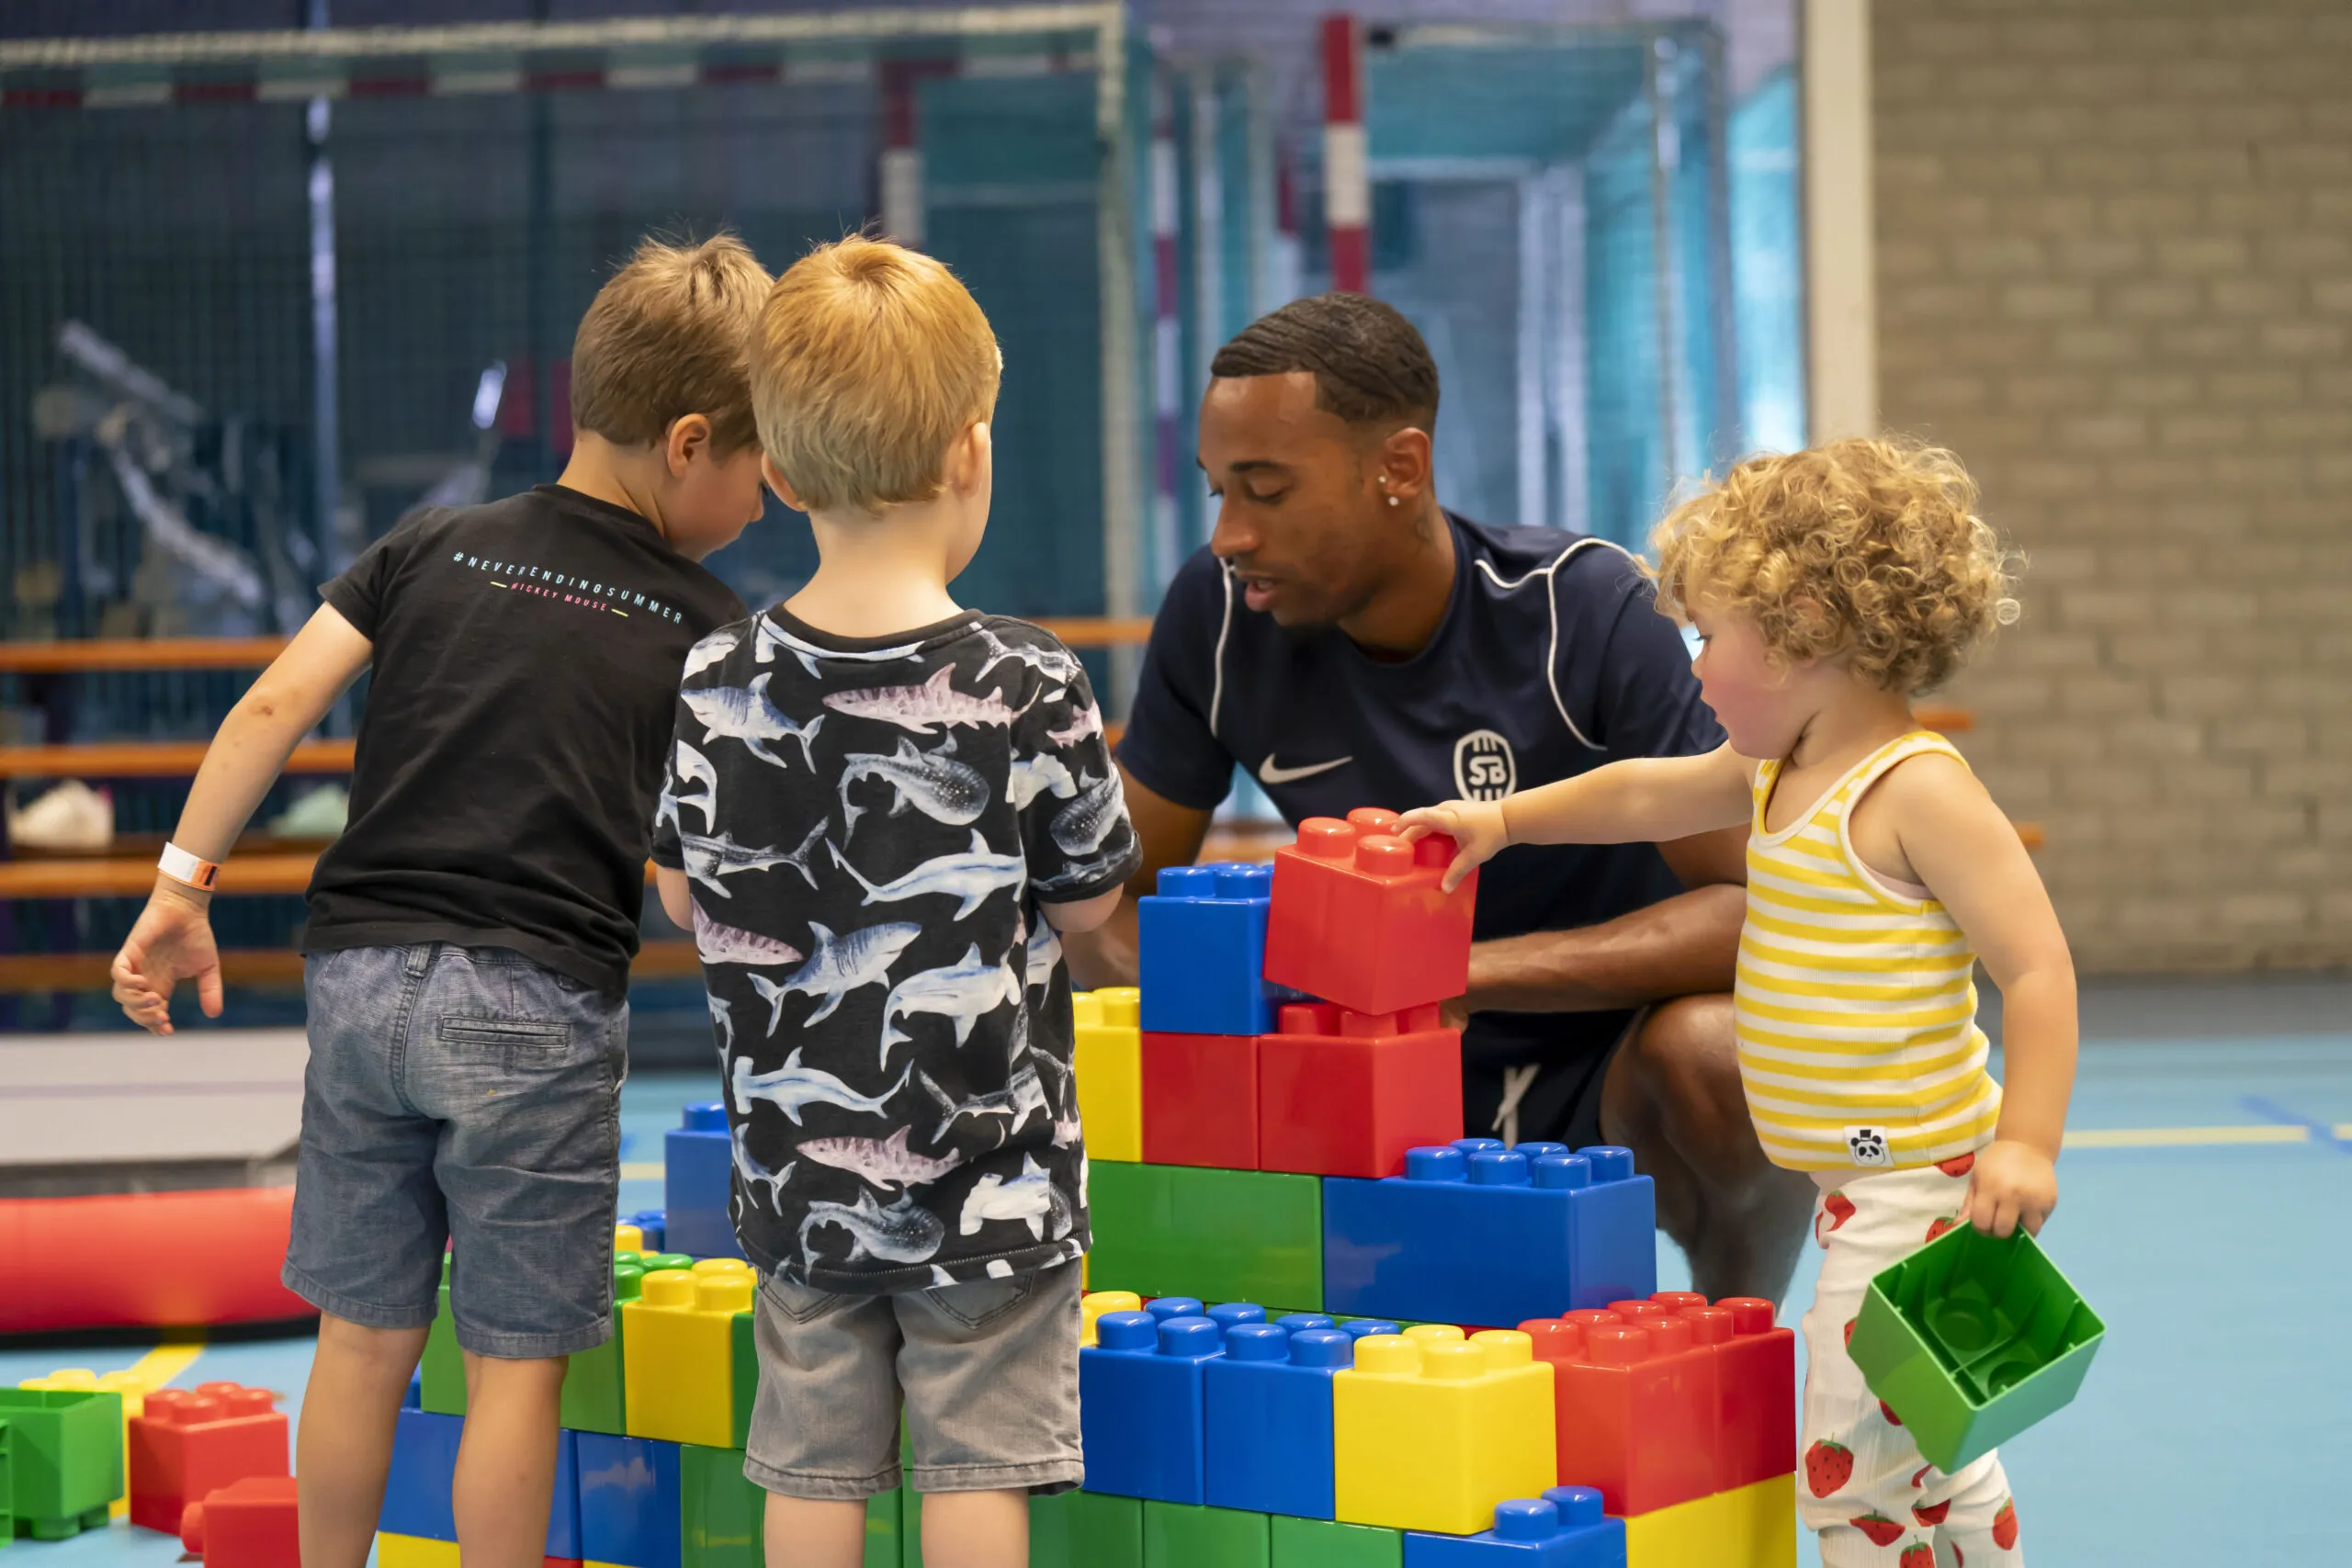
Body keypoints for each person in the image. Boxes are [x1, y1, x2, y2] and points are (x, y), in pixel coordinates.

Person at [107, 235, 773, 1568]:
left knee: (360, 1334)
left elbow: (272, 703)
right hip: (535, 1001)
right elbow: (703, 887)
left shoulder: (434, 542)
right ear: (692, 442)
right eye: (768, 471)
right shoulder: (712, 625)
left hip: (360, 980)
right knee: (517, 1365)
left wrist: (180, 887)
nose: (773, 503)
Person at [1403, 436, 2074, 1568]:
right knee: (1929, 1432)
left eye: (1711, 636)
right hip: (1851, 1185)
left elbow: (2038, 967)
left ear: (1807, 627)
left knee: (1842, 1467)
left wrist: (2028, 1145)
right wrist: (1503, 821)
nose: (1697, 667)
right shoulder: (1773, 770)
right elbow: (1639, 791)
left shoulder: (1914, 791)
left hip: (1919, 1185)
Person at [1068, 292, 1815, 1301]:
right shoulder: (1218, 619)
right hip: (1364, 1071)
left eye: (1266, 489)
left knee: (1717, 1056)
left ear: (1399, 469)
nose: (1231, 535)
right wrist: (1230, 1010)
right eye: (1216, 495)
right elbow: (1112, 899)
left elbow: (1753, 912)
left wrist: (1450, 974)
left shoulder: (1579, 611)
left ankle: (1743, 1331)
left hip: (1607, 1060)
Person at [650, 236, 1137, 1568]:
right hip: (996, 1168)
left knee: (811, 1453)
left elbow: (681, 890)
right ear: (971, 452)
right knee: (978, 1457)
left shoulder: (708, 676)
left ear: (785, 469)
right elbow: (1095, 904)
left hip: (798, 1171)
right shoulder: (1031, 680)